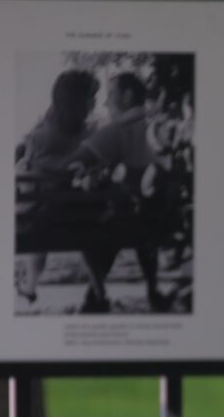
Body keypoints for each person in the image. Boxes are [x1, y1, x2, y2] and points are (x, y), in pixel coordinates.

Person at [68, 72, 168, 313]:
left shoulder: (115, 131)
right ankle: (152, 289)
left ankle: (97, 293)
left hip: (128, 220)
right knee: (127, 221)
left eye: (110, 95)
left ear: (127, 95)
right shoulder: (161, 125)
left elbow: (71, 163)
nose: (105, 102)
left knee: (104, 227)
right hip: (163, 220)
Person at [14, 69, 99, 305]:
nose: (95, 102)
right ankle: (99, 290)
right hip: (84, 219)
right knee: (65, 216)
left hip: (44, 221)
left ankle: (30, 285)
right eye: (91, 97)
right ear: (82, 102)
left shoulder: (38, 137)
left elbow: (28, 173)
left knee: (38, 210)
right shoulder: (93, 135)